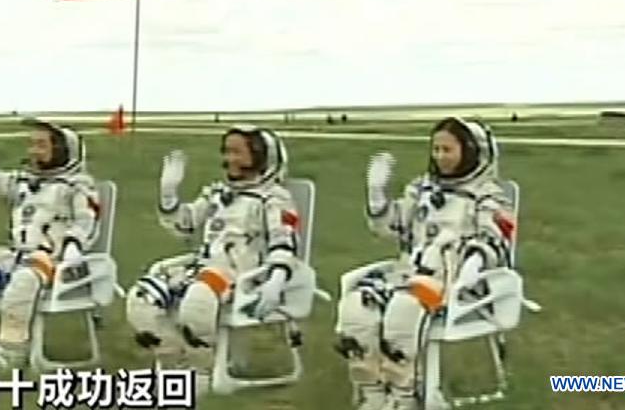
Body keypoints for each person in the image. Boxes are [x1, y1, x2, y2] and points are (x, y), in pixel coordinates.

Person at [334, 117, 516, 410]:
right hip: (410, 275)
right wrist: (377, 196)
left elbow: (494, 240)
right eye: (436, 149)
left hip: (459, 283)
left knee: (404, 308)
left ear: (471, 151)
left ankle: (405, 396)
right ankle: (373, 392)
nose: (440, 157)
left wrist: (472, 266)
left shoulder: (488, 196)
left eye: (448, 150)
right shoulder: (422, 189)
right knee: (358, 305)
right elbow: (392, 227)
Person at [126, 125, 301, 393]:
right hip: (207, 268)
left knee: (198, 300)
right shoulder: (218, 194)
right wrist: (168, 194)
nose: (230, 159)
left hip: (245, 275)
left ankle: (199, 372)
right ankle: (172, 361)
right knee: (141, 298)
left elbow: (284, 242)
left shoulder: (273, 198)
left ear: (262, 157)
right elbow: (184, 226)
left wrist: (276, 279)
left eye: (238, 153)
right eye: (227, 151)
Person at [0, 104, 101, 371]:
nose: (33, 151)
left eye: (41, 145)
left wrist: (74, 245)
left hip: (54, 261)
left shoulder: (77, 186)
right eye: (32, 144)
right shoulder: (23, 182)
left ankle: (10, 357)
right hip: (18, 255)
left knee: (21, 283)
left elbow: (87, 219)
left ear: (62, 150)